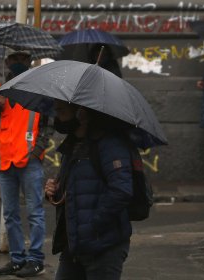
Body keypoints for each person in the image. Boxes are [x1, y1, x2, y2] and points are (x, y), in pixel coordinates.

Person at [45, 100, 133, 280]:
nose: (56, 107)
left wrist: (93, 225)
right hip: (74, 246)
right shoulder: (72, 144)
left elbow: (122, 190)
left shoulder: (110, 144)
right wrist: (54, 190)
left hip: (103, 247)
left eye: (64, 104)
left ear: (82, 110)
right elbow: (77, 191)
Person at [0, 50, 53, 278]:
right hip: (6, 161)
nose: (18, 62)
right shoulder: (0, 91)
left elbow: (48, 125)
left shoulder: (40, 91)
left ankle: (36, 259)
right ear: (7, 62)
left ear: (29, 62)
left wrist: (37, 152)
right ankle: (17, 259)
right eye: (14, 59)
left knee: (35, 212)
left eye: (22, 59)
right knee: (10, 214)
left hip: (29, 162)